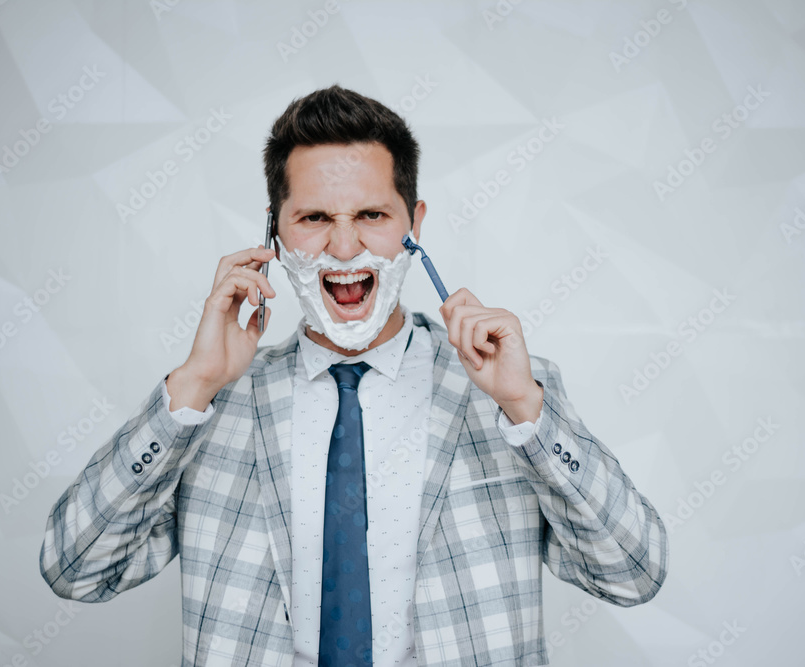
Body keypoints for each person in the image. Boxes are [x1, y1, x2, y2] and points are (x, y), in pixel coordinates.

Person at [40, 85, 668, 666]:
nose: (345, 248)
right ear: (274, 232)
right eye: (315, 218)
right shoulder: (210, 402)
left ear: (414, 225)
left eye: (372, 215)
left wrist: (525, 407)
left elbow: (632, 575)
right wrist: (193, 385)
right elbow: (76, 571)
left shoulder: (510, 393)